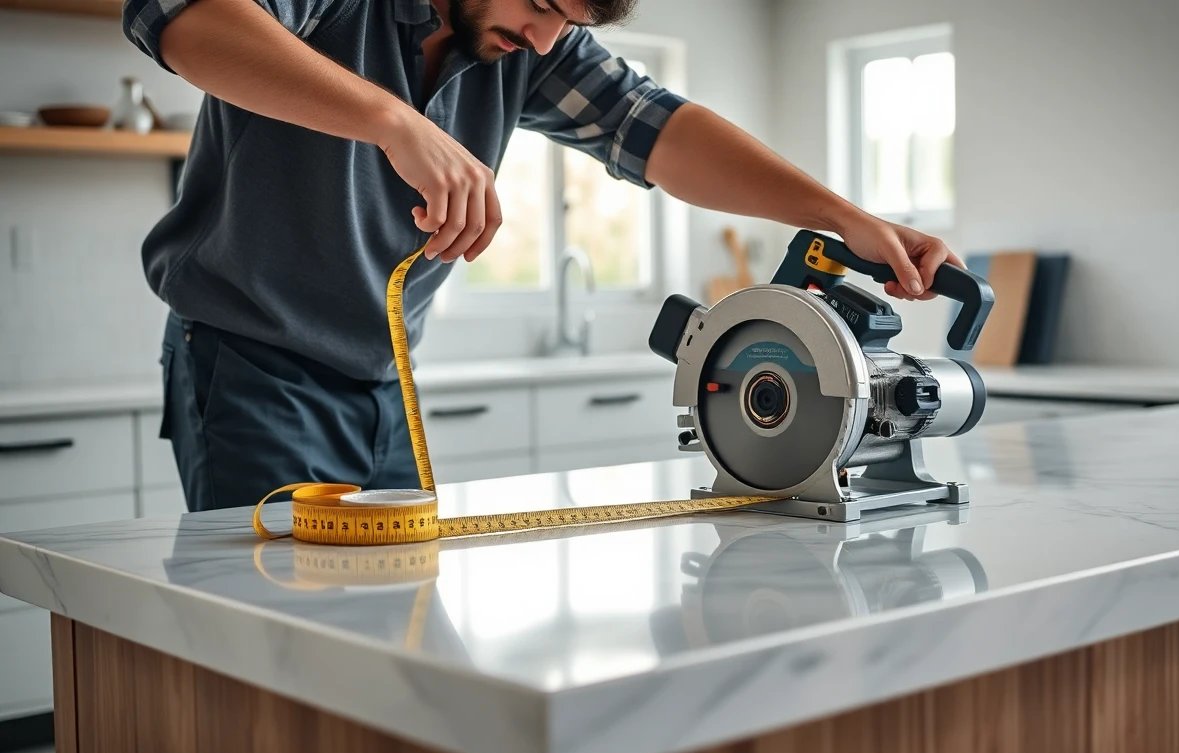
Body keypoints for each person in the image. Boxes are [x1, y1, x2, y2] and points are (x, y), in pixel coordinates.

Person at [123, 0, 966, 512]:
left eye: (570, 21)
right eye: (540, 4)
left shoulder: (530, 43)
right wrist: (393, 121)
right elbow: (183, 19)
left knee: (390, 646)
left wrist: (840, 215)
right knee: (277, 650)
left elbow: (657, 128)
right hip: (251, 370)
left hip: (384, 380)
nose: (544, 35)